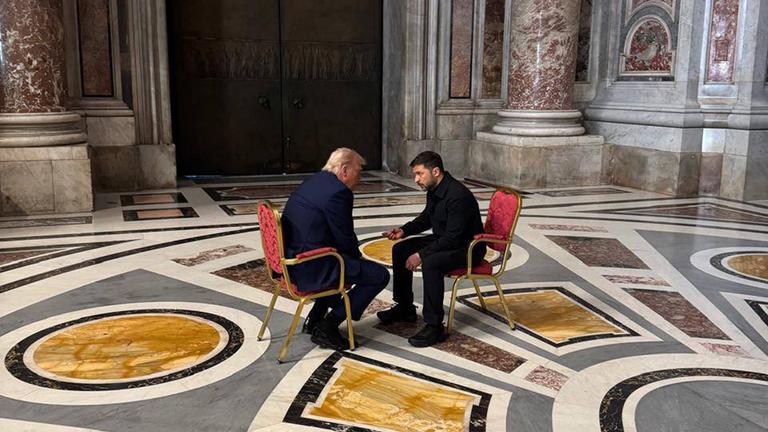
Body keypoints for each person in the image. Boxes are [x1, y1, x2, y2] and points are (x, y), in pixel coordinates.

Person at [281, 148, 390, 350]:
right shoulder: (339, 192)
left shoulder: (315, 181)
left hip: (292, 260)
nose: (360, 177)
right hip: (311, 266)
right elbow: (345, 237)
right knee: (378, 275)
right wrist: (359, 262)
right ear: (344, 169)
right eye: (358, 171)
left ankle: (315, 318)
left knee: (344, 264)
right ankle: (327, 326)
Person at [379, 151, 484, 347]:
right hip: (446, 240)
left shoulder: (457, 196)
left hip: (467, 248)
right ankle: (404, 307)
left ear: (435, 171)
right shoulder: (435, 189)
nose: (416, 179)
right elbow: (427, 217)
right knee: (400, 250)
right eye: (415, 174)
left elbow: (454, 238)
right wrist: (404, 230)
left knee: (431, 262)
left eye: (420, 174)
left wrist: (420, 255)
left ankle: (435, 326)